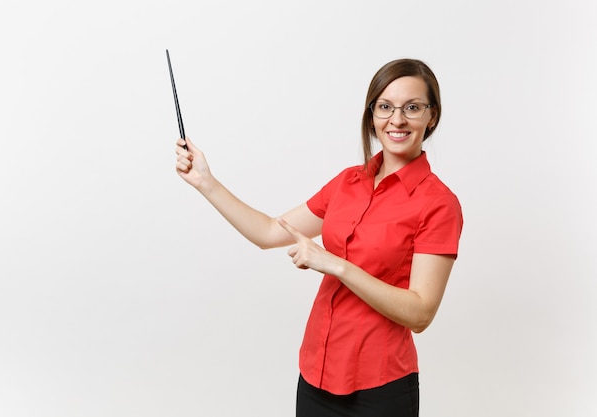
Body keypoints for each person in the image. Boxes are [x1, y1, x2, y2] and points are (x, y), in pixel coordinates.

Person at [175, 58, 463, 417]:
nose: (397, 119)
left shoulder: (438, 203)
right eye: (386, 107)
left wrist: (337, 265)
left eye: (413, 108)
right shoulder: (347, 183)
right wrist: (206, 182)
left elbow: (420, 314)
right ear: (372, 114)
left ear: (431, 116)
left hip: (381, 388)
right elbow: (268, 232)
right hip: (316, 376)